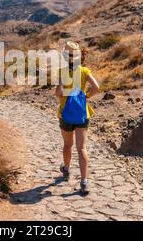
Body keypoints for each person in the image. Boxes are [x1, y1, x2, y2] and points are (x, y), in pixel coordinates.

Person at [55, 41, 100, 195]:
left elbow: (58, 92)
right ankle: (84, 182)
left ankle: (66, 170)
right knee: (82, 148)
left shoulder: (62, 71)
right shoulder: (85, 71)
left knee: (68, 145)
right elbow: (97, 88)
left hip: (65, 114)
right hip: (82, 113)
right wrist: (86, 96)